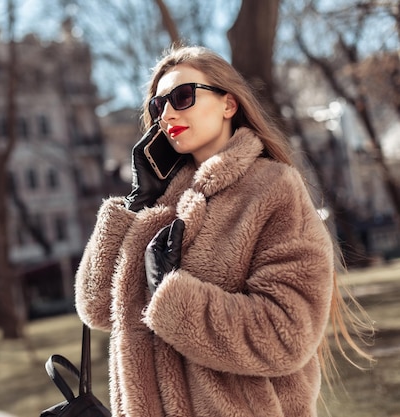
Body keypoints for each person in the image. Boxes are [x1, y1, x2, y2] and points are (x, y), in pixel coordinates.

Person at [74, 45, 372, 417]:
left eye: (182, 97)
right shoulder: (161, 206)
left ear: (228, 105)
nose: (166, 114)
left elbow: (286, 334)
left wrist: (173, 295)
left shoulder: (273, 188)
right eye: (157, 105)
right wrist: (137, 202)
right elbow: (97, 307)